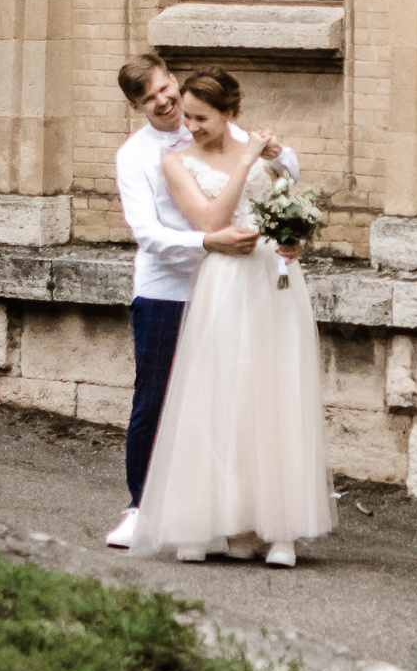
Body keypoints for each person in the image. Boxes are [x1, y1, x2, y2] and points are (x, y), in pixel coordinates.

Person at [128, 70, 333, 567]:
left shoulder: (262, 152)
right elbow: (211, 221)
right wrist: (245, 161)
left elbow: (288, 207)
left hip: (272, 281)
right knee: (217, 393)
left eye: (201, 118)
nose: (190, 126)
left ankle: (275, 528)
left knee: (273, 393)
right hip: (223, 281)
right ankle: (208, 521)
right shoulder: (175, 162)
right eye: (188, 116)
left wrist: (293, 241)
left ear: (229, 113)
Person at [106, 55, 295, 552]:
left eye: (164, 88)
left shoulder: (220, 126)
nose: (163, 102)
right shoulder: (135, 156)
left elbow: (279, 173)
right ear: (136, 106)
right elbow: (147, 233)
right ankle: (141, 507)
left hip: (236, 287)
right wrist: (208, 243)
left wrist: (286, 226)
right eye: (148, 98)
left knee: (228, 400)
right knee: (157, 399)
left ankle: (222, 512)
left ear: (174, 80)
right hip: (168, 289)